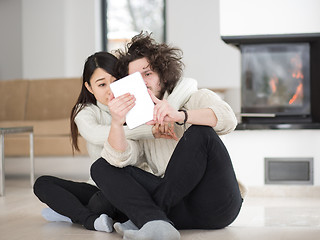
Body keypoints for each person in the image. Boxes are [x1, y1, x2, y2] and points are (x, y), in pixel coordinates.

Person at [91, 32, 246, 240]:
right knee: (101, 166)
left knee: (201, 132)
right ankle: (156, 222)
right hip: (177, 209)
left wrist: (180, 115)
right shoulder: (137, 121)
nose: (143, 82)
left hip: (216, 205)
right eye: (134, 78)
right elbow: (120, 159)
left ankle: (145, 218)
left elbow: (229, 119)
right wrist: (117, 123)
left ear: (163, 75)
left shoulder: (195, 97)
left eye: (148, 74)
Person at [33, 51, 198, 232]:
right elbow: (97, 135)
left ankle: (70, 212)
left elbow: (189, 83)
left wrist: (165, 116)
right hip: (98, 185)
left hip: (133, 187)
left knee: (100, 203)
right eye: (101, 84)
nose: (110, 89)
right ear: (89, 87)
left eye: (115, 80)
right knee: (43, 183)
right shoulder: (85, 112)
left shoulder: (138, 102)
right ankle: (87, 218)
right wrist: (150, 130)